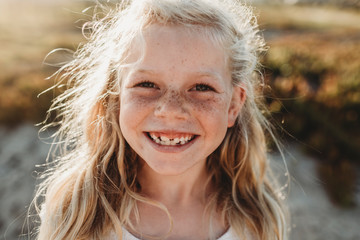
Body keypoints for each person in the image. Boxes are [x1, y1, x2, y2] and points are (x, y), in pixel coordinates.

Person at [33, 0, 288, 239]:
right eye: (147, 84)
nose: (170, 109)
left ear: (233, 105)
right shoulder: (77, 214)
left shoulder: (258, 220)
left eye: (201, 87)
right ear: (116, 96)